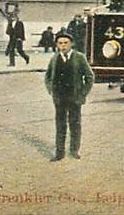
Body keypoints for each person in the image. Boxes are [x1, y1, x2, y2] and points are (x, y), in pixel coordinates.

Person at [45, 31, 95, 161]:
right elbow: (48, 76)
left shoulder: (80, 57)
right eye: (60, 43)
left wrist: (83, 93)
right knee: (60, 124)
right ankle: (59, 152)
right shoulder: (55, 58)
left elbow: (90, 77)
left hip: (75, 97)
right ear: (56, 45)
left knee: (75, 124)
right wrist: (51, 90)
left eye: (66, 43)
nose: (63, 46)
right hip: (59, 97)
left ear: (71, 44)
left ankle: (74, 150)